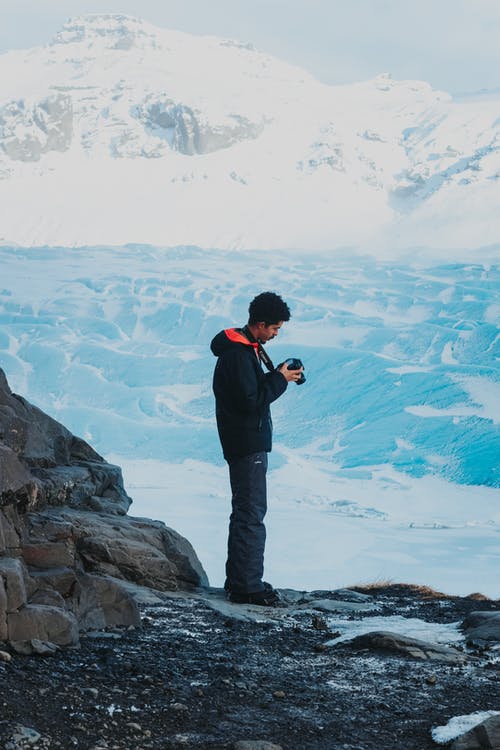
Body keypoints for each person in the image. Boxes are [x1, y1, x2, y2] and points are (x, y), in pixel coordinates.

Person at [210, 291, 303, 606]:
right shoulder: (238, 354)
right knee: (251, 513)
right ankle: (247, 587)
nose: (276, 334)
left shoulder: (246, 348)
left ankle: (240, 581)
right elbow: (251, 402)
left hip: (245, 440)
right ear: (261, 324)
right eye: (275, 328)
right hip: (246, 442)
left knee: (246, 511)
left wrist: (276, 376)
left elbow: (249, 393)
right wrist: (279, 379)